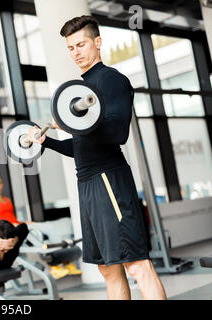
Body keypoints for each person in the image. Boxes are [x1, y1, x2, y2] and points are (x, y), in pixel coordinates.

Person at [28, 15, 166, 300]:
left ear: (98, 42)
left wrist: (67, 124)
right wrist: (49, 141)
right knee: (108, 268)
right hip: (88, 183)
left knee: (136, 264)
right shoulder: (81, 89)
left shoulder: (111, 80)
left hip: (108, 180)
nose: (76, 52)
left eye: (81, 44)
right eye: (71, 47)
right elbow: (81, 148)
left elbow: (117, 133)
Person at [0, 172, 82, 279]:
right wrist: (11, 226)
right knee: (38, 233)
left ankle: (64, 261)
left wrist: (26, 222)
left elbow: (13, 218)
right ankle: (53, 266)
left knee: (48, 226)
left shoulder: (7, 200)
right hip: (10, 230)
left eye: (0, 183)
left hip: (19, 225)